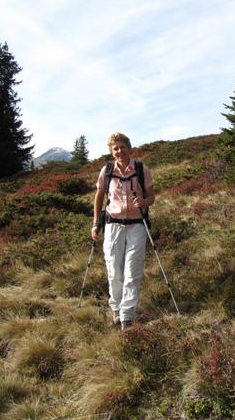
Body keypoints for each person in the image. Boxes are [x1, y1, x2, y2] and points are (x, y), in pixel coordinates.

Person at [92, 133, 155, 330]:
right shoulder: (107, 171)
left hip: (137, 225)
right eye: (115, 148)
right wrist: (95, 223)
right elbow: (99, 197)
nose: (120, 151)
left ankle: (127, 316)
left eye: (122, 147)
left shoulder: (142, 169)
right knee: (114, 271)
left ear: (129, 148)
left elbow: (151, 197)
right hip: (113, 226)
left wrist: (144, 202)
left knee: (132, 271)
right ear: (112, 152)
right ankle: (116, 310)